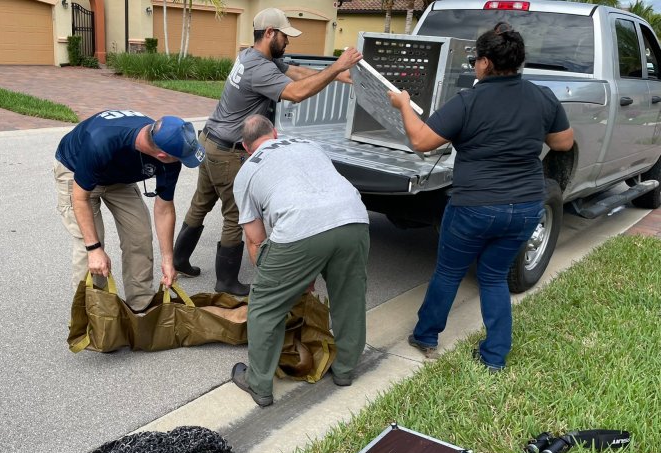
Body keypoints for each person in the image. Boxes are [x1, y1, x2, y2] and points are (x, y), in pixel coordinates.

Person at [388, 23, 574, 372]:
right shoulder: (543, 96)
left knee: (448, 272)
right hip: (525, 208)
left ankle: (426, 336)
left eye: (476, 59)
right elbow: (563, 143)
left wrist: (402, 104)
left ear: (486, 63)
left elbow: (422, 142)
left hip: (474, 206)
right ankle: (494, 356)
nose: (475, 65)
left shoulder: (468, 101)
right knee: (493, 276)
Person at [172, 7, 364, 296]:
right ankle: (226, 281)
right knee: (235, 215)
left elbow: (296, 72)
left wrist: (338, 76)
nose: (288, 42)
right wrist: (336, 67)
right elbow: (296, 93)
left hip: (210, 141)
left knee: (200, 203)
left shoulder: (252, 56)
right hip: (228, 152)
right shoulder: (260, 68)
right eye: (285, 36)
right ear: (270, 33)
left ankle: (179, 260)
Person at [229, 115, 370, 407]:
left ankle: (259, 384)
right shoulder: (309, 145)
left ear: (246, 146)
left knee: (265, 306)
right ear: (275, 133)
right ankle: (344, 371)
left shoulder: (246, 172)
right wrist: (304, 273)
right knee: (349, 297)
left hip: (299, 228)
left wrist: (279, 284)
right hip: (354, 218)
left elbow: (256, 240)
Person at [54, 109, 205, 311]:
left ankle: (141, 304)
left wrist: (169, 261)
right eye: (181, 158)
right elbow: (80, 198)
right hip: (76, 172)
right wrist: (94, 249)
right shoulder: (101, 141)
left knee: (140, 235)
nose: (182, 162)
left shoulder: (168, 152)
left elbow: (164, 208)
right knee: (89, 246)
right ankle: (92, 315)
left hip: (118, 177)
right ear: (162, 155)